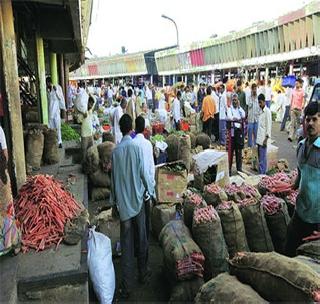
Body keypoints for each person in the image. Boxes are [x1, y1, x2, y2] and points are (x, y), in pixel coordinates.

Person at [111, 114, 153, 298]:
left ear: (121, 129)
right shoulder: (136, 147)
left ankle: (127, 286)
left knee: (126, 246)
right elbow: (144, 174)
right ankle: (143, 274)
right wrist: (152, 193)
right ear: (132, 129)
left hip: (124, 207)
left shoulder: (115, 152)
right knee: (142, 238)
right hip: (138, 201)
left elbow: (113, 182)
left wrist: (113, 203)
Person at [285, 101, 320, 257]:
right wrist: (291, 186)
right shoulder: (300, 146)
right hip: (299, 213)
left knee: (308, 264)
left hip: (316, 221)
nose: (310, 123)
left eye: (315, 119)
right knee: (289, 251)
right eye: (307, 119)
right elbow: (300, 173)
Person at [133, 116, 156, 242]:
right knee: (146, 218)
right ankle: (145, 241)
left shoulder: (132, 144)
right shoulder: (148, 144)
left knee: (136, 220)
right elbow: (151, 167)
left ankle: (138, 242)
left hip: (135, 188)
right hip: (146, 188)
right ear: (144, 129)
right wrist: (151, 186)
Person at [0, 126, 20, 256]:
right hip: (2, 175)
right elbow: (5, 153)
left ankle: (12, 243)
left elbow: (5, 155)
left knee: (7, 212)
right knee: (8, 212)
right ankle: (13, 244)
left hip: (1, 176)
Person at [226, 94, 246, 175]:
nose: (234, 101)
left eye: (236, 100)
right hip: (232, 133)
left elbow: (243, 115)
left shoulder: (239, 109)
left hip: (239, 132)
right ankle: (229, 170)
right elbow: (230, 117)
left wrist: (239, 107)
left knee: (239, 151)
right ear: (231, 100)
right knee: (231, 151)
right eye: (233, 100)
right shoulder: (229, 109)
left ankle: (239, 169)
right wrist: (236, 119)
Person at [256, 94, 272, 174]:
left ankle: (262, 175)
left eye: (261, 102)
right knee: (260, 159)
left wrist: (266, 139)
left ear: (264, 102)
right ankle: (261, 173)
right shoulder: (260, 111)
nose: (259, 104)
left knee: (262, 159)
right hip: (259, 139)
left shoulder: (267, 112)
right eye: (258, 103)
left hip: (263, 139)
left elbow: (269, 126)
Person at [46, 77, 63, 148]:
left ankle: (60, 142)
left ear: (49, 82)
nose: (47, 84)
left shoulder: (57, 88)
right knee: (51, 128)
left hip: (56, 112)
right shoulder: (47, 90)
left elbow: (60, 98)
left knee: (58, 127)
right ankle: (54, 142)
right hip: (50, 112)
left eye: (47, 83)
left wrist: (56, 91)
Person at [81, 96, 95, 162]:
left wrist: (88, 93)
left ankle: (90, 164)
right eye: (90, 104)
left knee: (91, 150)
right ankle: (84, 164)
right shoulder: (83, 111)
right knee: (84, 150)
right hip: (84, 134)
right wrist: (83, 116)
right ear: (87, 102)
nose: (91, 106)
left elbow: (95, 100)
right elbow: (78, 120)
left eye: (92, 104)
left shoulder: (90, 110)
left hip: (90, 134)